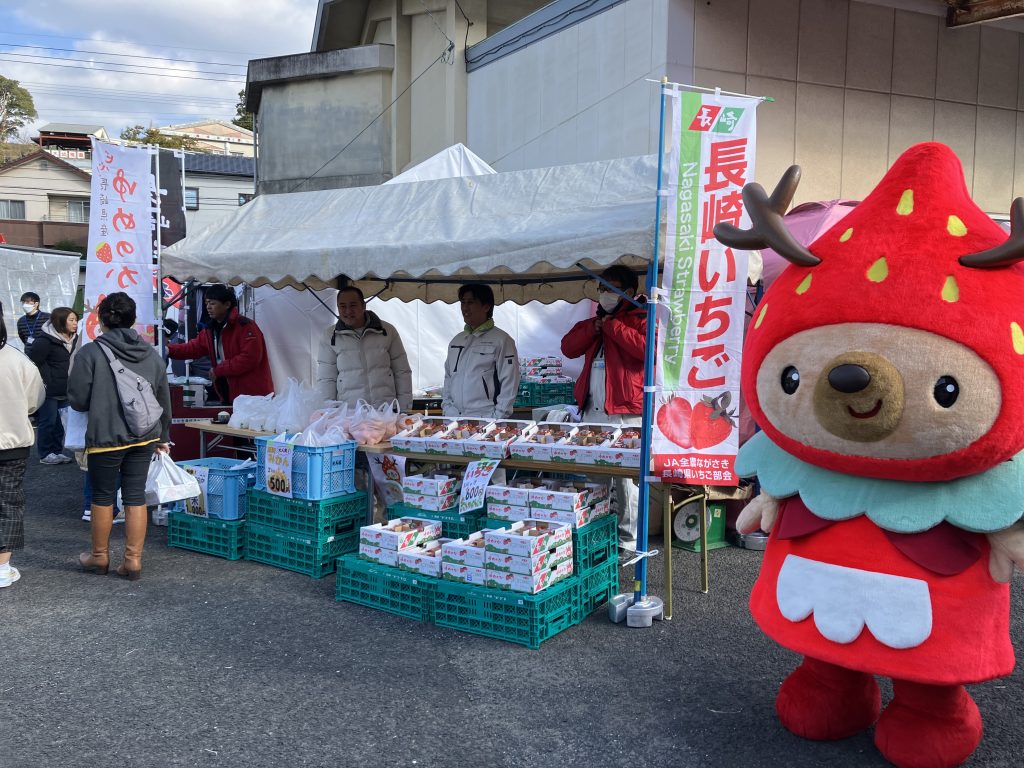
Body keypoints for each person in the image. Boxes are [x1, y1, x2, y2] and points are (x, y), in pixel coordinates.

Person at [68, 292, 172, 580]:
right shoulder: (151, 353)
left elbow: (77, 399)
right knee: (135, 496)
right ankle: (132, 561)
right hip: (145, 435)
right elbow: (163, 397)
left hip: (106, 436)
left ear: (101, 321)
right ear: (134, 320)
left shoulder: (90, 352)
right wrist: (163, 434)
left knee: (102, 497)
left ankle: (99, 557)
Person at [561, 264, 646, 549]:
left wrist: (614, 327)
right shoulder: (596, 321)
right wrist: (594, 327)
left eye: (610, 288)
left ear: (629, 292)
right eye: (601, 288)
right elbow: (568, 347)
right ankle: (597, 536)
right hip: (592, 411)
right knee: (594, 479)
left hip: (626, 413)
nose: (604, 294)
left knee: (626, 484)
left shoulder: (642, 316)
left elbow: (649, 350)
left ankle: (627, 541)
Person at [0, 302, 45, 588]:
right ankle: (2, 567)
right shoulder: (16, 359)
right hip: (12, 441)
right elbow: (34, 400)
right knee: (7, 502)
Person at [166, 284, 273, 403]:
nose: (208, 307)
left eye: (212, 303)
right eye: (207, 303)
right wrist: (168, 350)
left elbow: (250, 358)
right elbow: (193, 348)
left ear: (227, 304)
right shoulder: (210, 330)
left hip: (252, 396)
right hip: (228, 392)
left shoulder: (246, 326)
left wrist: (219, 370)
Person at [315, 285, 413, 409]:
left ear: (363, 306)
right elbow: (326, 378)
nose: (348, 311)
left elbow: (402, 371)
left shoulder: (387, 331)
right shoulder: (330, 336)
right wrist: (329, 412)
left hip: (385, 410)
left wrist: (404, 408)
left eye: (353, 305)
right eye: (343, 306)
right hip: (350, 413)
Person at [442, 283, 520, 419]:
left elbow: (510, 382)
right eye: (463, 302)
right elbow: (448, 378)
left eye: (471, 302)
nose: (465, 308)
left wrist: (498, 416)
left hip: (486, 419)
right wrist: (447, 409)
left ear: (486, 306)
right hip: (454, 419)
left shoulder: (502, 340)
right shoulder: (456, 340)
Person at [27, 306, 79, 465]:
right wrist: (47, 378)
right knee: (48, 421)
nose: (75, 323)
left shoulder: (75, 338)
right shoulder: (45, 340)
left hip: (66, 387)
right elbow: (34, 361)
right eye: (71, 320)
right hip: (49, 389)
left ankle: (57, 451)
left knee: (62, 423)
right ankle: (45, 453)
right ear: (60, 321)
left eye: (76, 320)